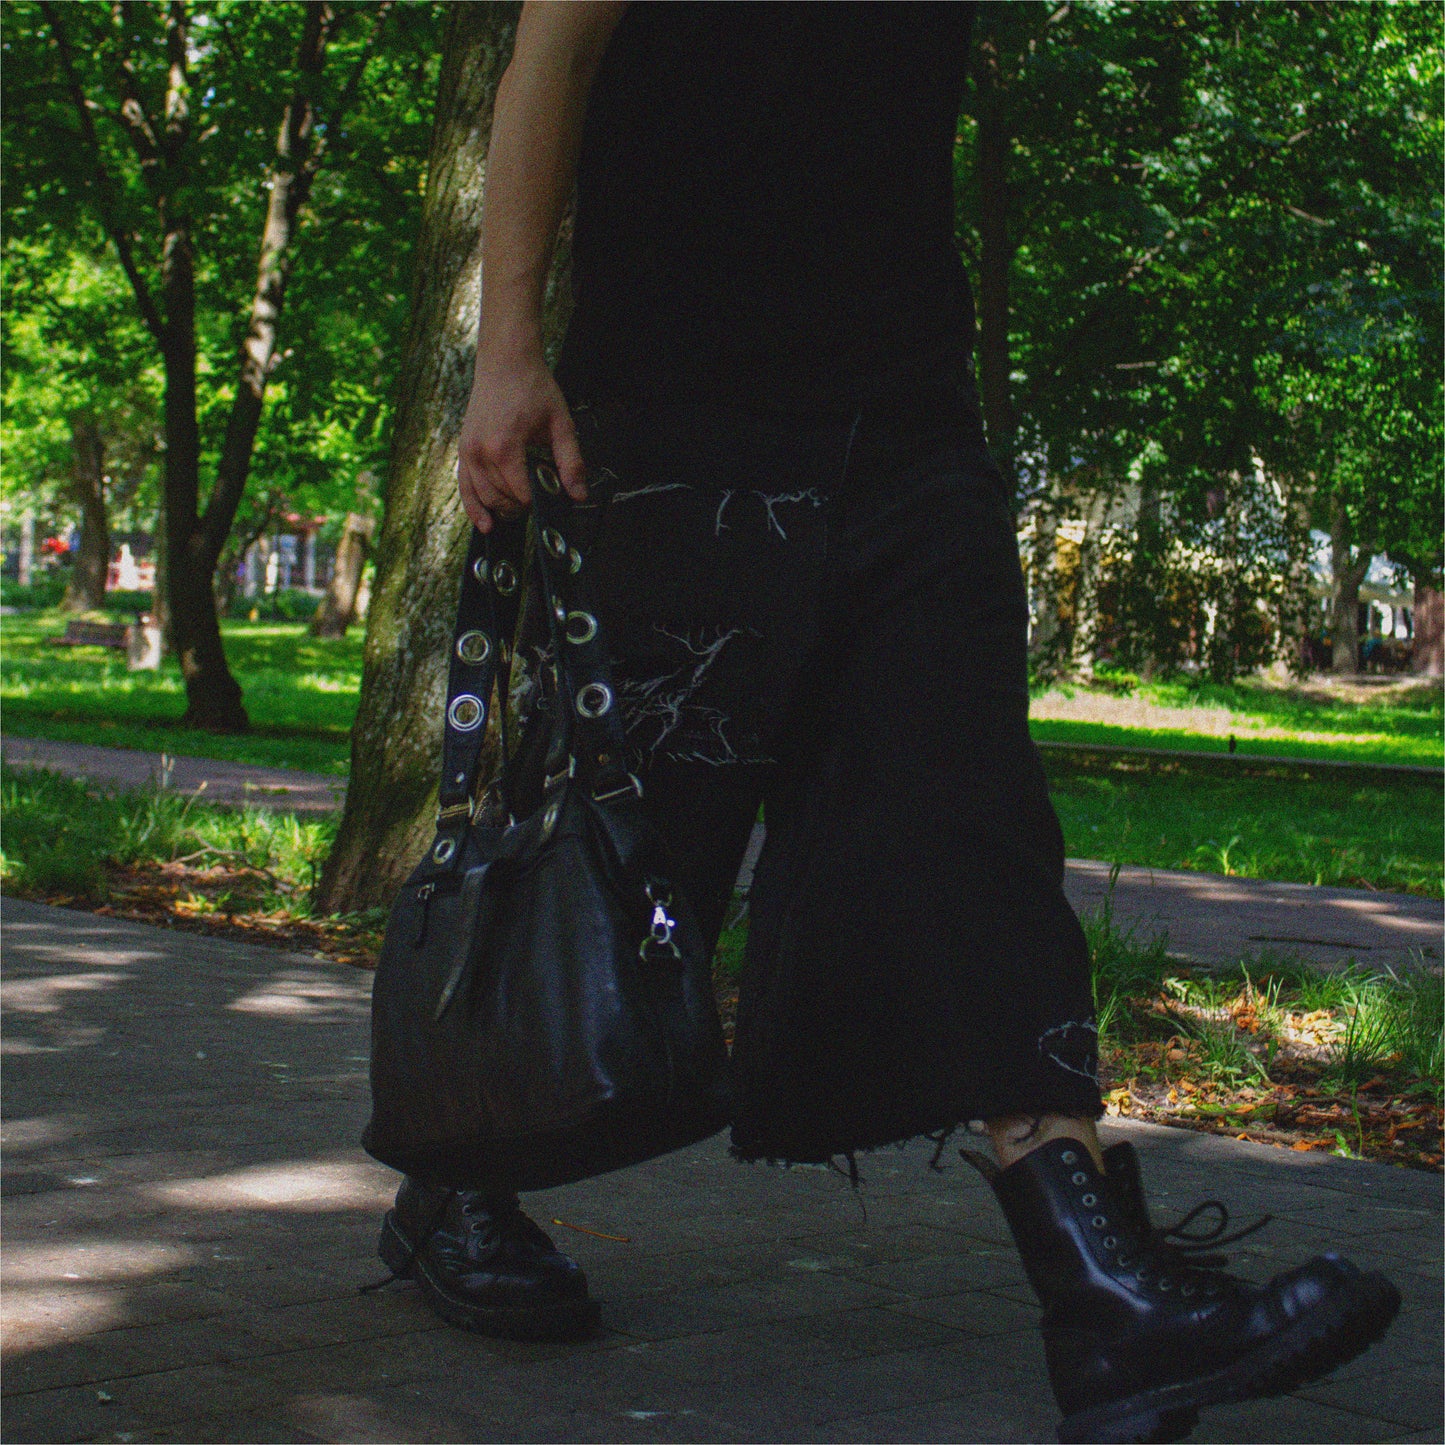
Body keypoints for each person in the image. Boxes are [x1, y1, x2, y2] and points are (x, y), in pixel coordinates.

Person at [380, 5, 1400, 1441]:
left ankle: (1101, 1301)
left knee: (961, 812)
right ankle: (459, 1173)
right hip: (677, 407)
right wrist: (507, 351)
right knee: (636, 854)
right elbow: (550, 50)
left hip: (907, 406)